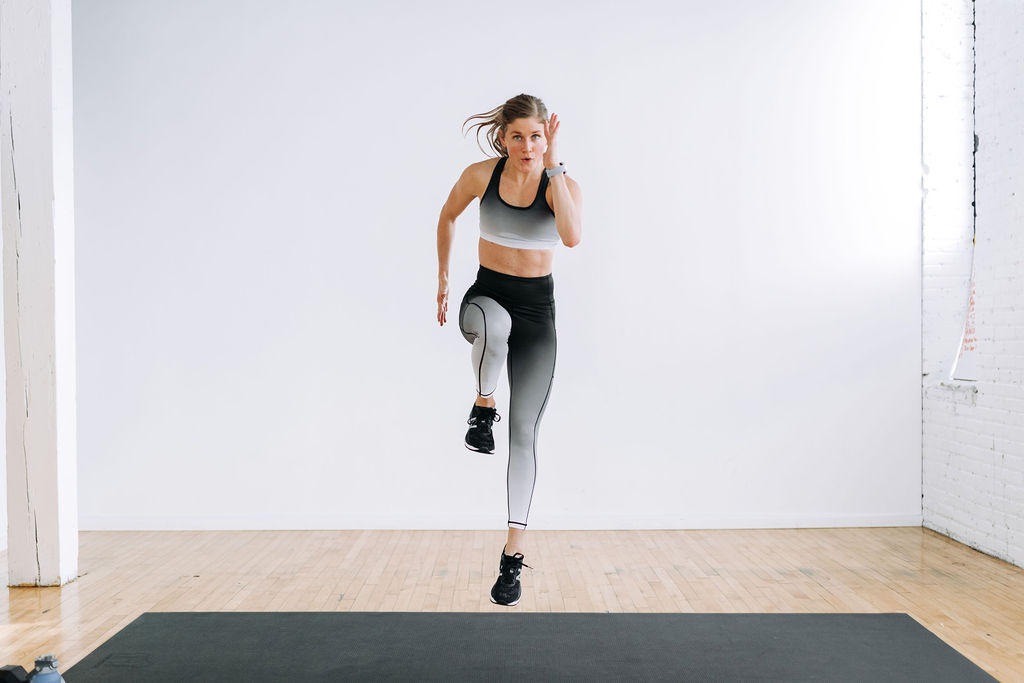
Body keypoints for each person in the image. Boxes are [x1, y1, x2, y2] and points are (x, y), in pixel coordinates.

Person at [435, 93, 582, 606]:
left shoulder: (561, 185)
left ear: (548, 138)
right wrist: (443, 280)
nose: (526, 145)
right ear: (503, 136)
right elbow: (447, 215)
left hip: (538, 315)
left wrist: (556, 168)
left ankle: (512, 556)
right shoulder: (481, 176)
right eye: (517, 136)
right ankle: (482, 404)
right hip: (486, 298)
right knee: (494, 325)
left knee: (525, 435)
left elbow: (571, 236)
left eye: (536, 136)